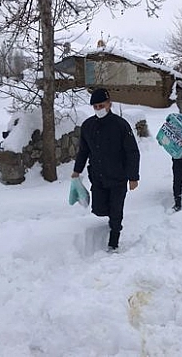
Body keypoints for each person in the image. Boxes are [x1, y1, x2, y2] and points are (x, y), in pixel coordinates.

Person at [72, 88, 141, 252]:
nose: (98, 109)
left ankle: (114, 240)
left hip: (118, 176)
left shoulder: (121, 125)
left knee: (116, 210)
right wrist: (77, 170)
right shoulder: (88, 126)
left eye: (101, 105)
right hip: (98, 176)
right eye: (95, 106)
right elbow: (84, 150)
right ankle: (112, 220)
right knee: (99, 209)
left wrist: (133, 177)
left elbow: (132, 152)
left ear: (109, 104)